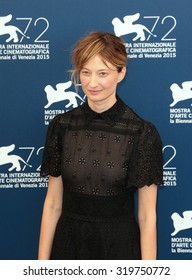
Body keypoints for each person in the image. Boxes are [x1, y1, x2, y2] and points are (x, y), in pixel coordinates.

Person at [38, 31, 163, 260]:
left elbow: (147, 216)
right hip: (68, 248)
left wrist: (149, 273)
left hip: (118, 249)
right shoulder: (62, 126)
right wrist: (41, 267)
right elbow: (53, 203)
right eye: (85, 73)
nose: (92, 83)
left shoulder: (141, 132)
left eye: (102, 73)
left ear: (121, 73)